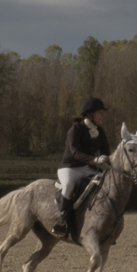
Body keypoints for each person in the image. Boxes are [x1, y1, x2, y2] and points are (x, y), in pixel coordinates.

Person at [53, 97, 112, 236]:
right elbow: (75, 153)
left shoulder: (100, 131)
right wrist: (95, 159)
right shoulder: (75, 130)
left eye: (102, 113)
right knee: (68, 186)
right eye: (100, 113)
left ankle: (105, 224)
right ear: (90, 114)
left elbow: (106, 152)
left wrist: (109, 161)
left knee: (106, 184)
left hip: (87, 168)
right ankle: (63, 222)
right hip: (69, 167)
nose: (102, 115)